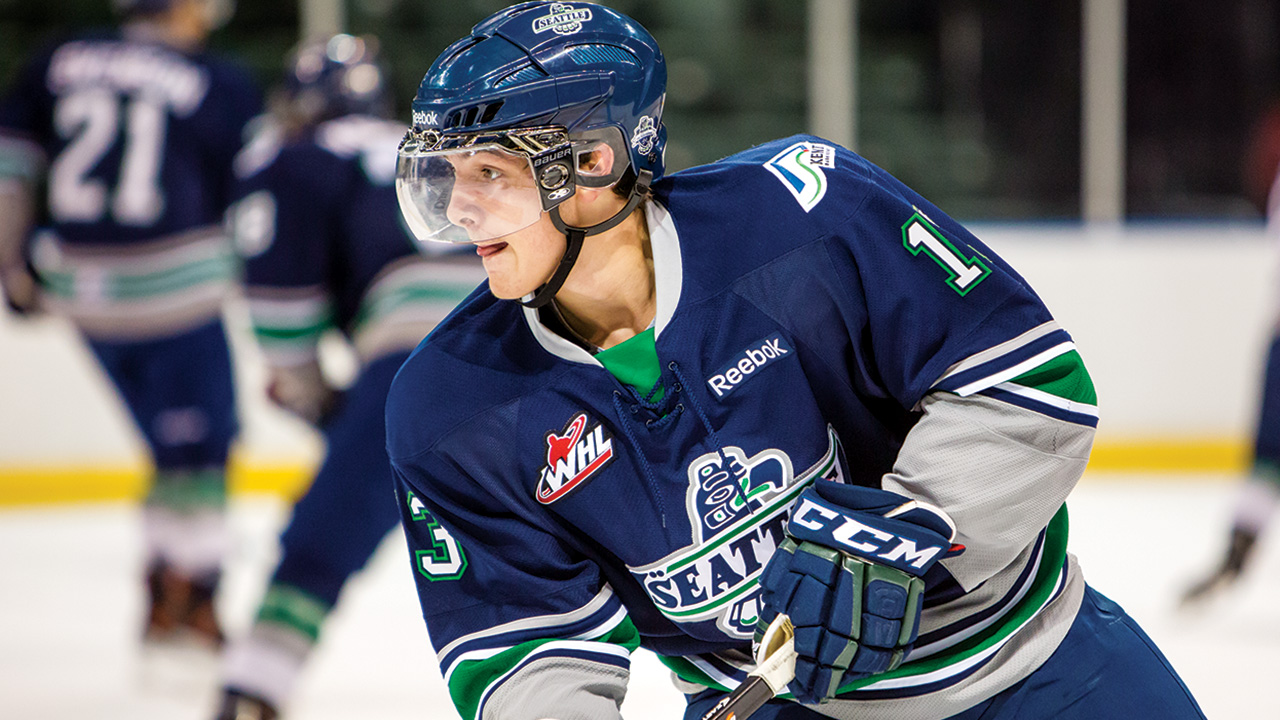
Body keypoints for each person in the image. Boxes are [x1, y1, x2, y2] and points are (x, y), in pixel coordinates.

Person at [385, 3, 1206, 719]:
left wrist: (914, 532)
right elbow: (530, 654)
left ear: (595, 162)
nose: (459, 209)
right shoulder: (450, 408)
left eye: (490, 172)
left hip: (1037, 669)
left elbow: (1028, 390)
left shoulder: (802, 217)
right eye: (451, 175)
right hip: (781, 705)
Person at [213, 33, 485, 720]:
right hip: (524, 334)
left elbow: (280, 306)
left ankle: (255, 685)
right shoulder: (438, 148)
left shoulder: (292, 155)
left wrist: (305, 388)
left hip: (415, 358)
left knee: (324, 532)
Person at [0, 0, 260, 653]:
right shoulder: (219, 81)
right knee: (202, 448)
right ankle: (187, 597)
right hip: (174, 289)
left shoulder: (59, 56)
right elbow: (253, 195)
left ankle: (170, 582)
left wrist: (12, 263)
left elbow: (11, 168)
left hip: (79, 291)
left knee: (169, 448)